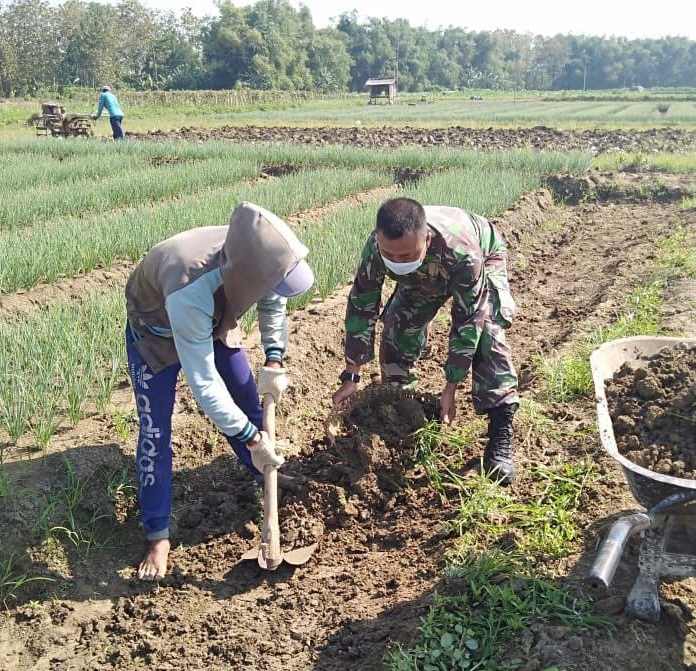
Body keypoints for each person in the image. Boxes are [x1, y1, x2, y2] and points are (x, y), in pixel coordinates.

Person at [125, 202, 315, 580]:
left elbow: (273, 303)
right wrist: (248, 435)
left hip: (214, 320)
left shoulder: (258, 257)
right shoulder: (189, 288)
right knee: (155, 433)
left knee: (247, 398)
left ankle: (264, 476)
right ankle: (157, 535)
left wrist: (274, 358)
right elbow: (204, 382)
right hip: (158, 334)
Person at [332, 197, 520, 483]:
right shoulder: (376, 247)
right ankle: (403, 414)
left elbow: (468, 320)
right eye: (389, 255)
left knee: (487, 335)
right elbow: (362, 303)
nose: (395, 262)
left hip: (480, 256)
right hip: (424, 275)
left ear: (427, 240)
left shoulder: (463, 254)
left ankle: (500, 440)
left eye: (404, 256)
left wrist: (451, 386)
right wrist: (352, 375)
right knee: (397, 328)